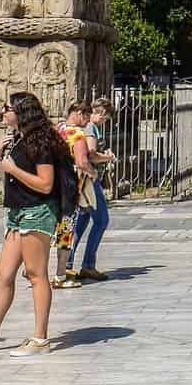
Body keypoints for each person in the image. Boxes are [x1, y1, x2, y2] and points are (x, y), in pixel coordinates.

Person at [0, 92, 69, 357]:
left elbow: (45, 184)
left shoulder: (40, 141)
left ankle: (40, 338)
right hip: (17, 212)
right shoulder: (19, 139)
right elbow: (11, 174)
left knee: (36, 274)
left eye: (7, 108)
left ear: (21, 112)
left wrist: (12, 169)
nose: (2, 112)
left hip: (36, 211)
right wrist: (4, 156)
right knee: (4, 274)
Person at [52, 101, 98, 289]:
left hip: (51, 184)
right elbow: (81, 161)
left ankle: (31, 267)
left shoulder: (57, 129)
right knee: (65, 232)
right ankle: (60, 276)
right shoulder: (77, 135)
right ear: (78, 113)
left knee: (47, 229)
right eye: (86, 117)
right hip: (68, 187)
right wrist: (92, 173)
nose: (87, 122)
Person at [71, 97, 116, 282]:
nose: (104, 122)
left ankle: (67, 263)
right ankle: (88, 265)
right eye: (104, 118)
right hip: (90, 179)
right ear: (97, 113)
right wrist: (107, 157)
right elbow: (90, 154)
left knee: (81, 222)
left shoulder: (87, 127)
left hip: (84, 180)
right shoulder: (91, 128)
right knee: (101, 220)